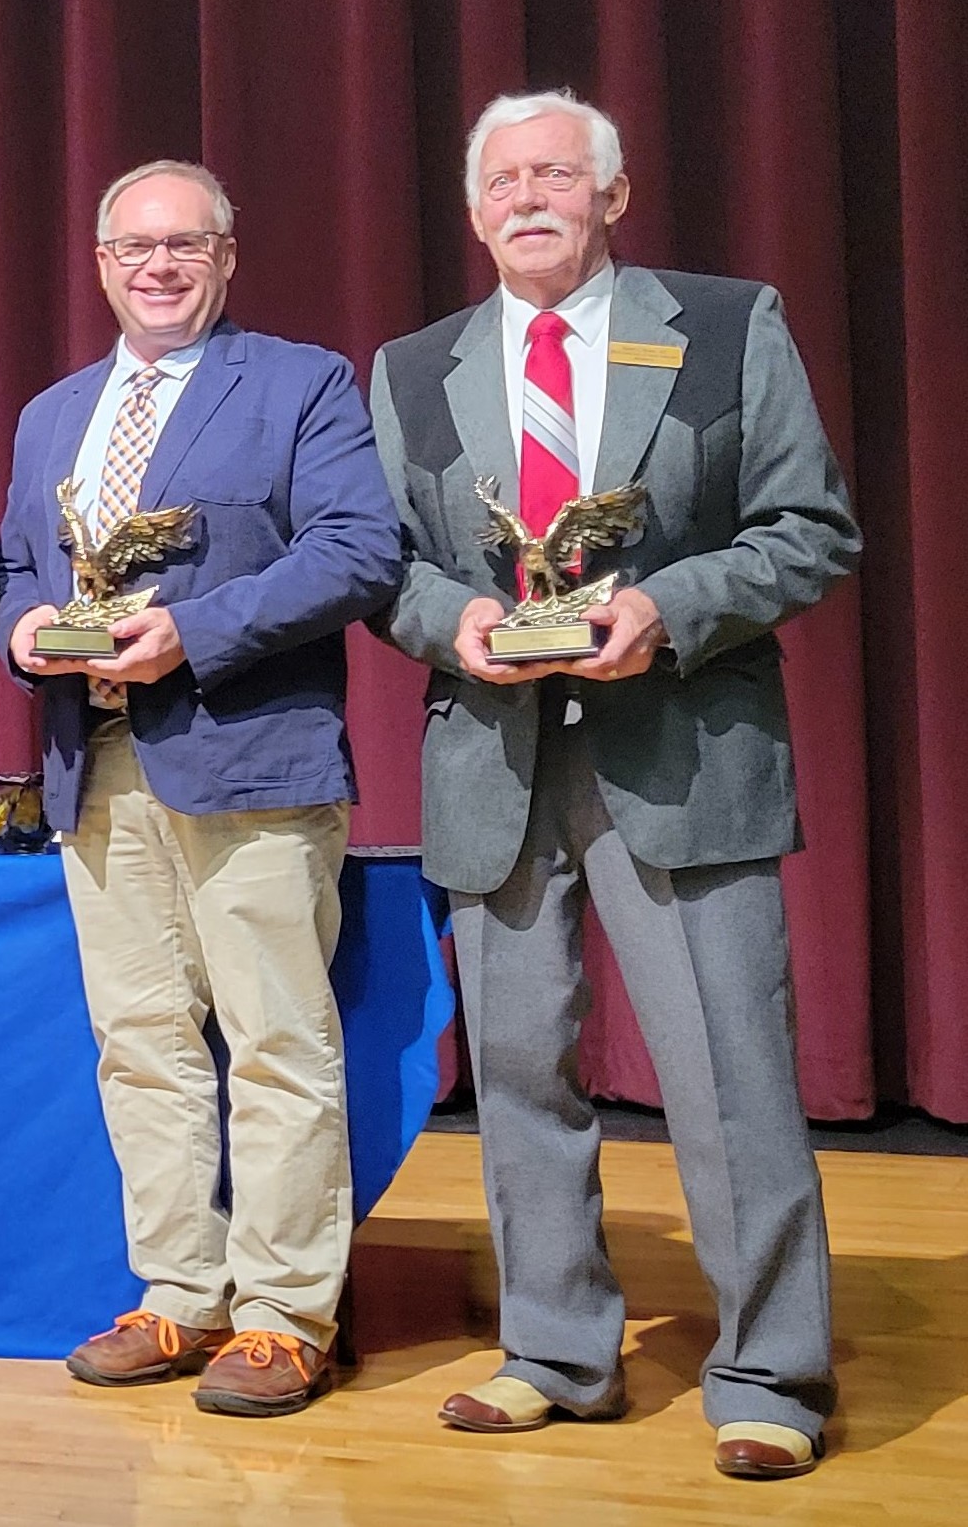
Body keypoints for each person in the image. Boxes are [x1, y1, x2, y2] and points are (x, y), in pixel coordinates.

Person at [369, 90, 858, 1479]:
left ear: (612, 194)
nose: (529, 196)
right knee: (519, 1073)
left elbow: (809, 528)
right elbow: (387, 562)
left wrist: (668, 605)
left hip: (681, 750)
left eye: (556, 174)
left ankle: (768, 1369)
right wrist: (442, 623)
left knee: (730, 1074)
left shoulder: (723, 323)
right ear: (475, 211)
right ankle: (554, 1351)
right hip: (494, 758)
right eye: (503, 180)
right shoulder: (414, 367)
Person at [0, 161, 404, 1413]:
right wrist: (24, 629)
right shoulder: (56, 411)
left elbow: (358, 547)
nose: (159, 266)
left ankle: (284, 1314)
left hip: (250, 757)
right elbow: (20, 565)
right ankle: (179, 1293)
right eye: (136, 247)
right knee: (143, 1045)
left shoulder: (298, 382)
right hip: (97, 765)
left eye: (185, 245)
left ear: (227, 257)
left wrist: (196, 629)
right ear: (101, 263)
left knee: (276, 1042)